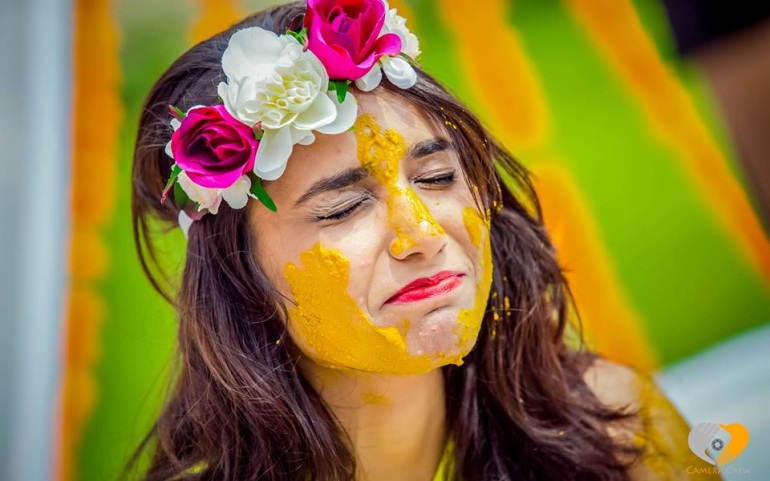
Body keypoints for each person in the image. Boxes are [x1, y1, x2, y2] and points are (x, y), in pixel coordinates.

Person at [126, 1, 719, 479]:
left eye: (437, 178)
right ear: (238, 275)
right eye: (343, 208)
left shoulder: (618, 428)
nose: (424, 233)